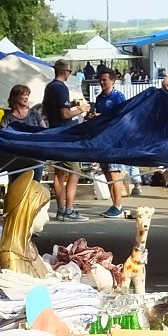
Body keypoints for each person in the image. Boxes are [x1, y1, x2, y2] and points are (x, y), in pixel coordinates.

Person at [41, 59, 89, 222]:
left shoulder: (49, 87)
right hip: (64, 134)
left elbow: (50, 109)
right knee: (75, 171)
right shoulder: (61, 88)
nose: (70, 74)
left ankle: (61, 209)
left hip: (54, 133)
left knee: (59, 173)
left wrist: (71, 105)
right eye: (69, 72)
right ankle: (69, 209)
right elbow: (65, 114)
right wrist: (80, 109)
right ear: (64, 72)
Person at [0, 170, 52, 277]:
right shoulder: (11, 258)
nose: (47, 218)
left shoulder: (28, 249)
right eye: (44, 211)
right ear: (30, 211)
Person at [93, 68, 129, 218]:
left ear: (113, 81)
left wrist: (101, 116)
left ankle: (118, 205)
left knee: (115, 173)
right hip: (103, 139)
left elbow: (122, 117)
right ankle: (114, 205)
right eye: (100, 80)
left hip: (115, 139)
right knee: (107, 173)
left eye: (105, 80)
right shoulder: (99, 98)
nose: (102, 83)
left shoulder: (118, 97)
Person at [0, 84, 45, 181]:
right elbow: (3, 137)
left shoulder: (34, 114)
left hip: (35, 157)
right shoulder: (7, 117)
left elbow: (45, 132)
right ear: (15, 97)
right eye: (23, 95)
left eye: (27, 95)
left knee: (34, 186)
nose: (26, 97)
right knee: (16, 186)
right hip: (16, 159)